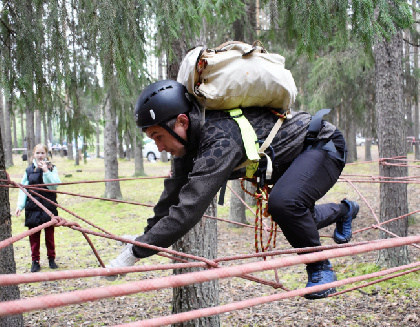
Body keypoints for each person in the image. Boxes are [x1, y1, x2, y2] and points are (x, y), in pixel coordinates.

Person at [107, 80, 359, 300]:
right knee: (295, 215)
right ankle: (344, 210)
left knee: (285, 205)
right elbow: (170, 201)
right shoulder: (188, 145)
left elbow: (189, 209)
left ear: (182, 122)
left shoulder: (219, 138)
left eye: (157, 136)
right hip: (290, 158)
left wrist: (137, 252)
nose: (159, 147)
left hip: (322, 144)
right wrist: (143, 239)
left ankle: (321, 269)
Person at [15, 144, 61, 273]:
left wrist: (46, 171)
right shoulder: (29, 170)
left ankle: (51, 259)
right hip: (33, 207)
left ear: (46, 154)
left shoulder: (52, 168)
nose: (40, 155)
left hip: (48, 206)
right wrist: (20, 206)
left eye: (42, 153)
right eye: (38, 153)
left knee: (49, 236)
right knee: (34, 236)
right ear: (33, 155)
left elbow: (54, 186)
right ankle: (35, 261)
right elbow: (23, 189)